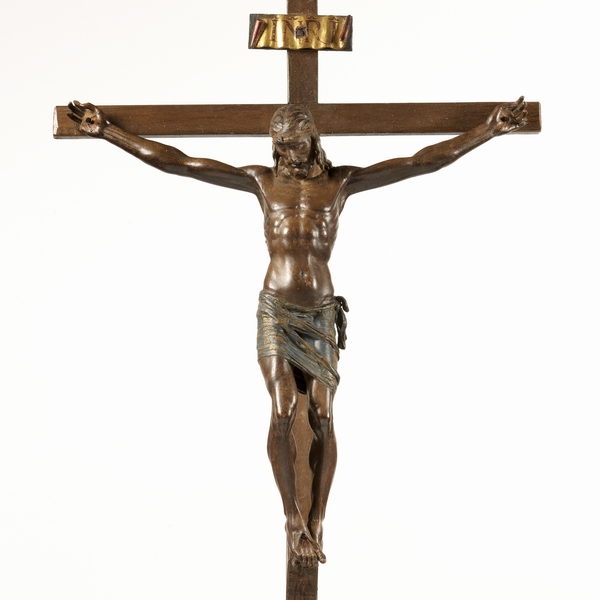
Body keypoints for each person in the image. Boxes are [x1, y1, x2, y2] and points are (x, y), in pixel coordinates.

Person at [67, 98, 528, 568]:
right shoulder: (262, 182)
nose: (289, 155)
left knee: (323, 415)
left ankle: (318, 517)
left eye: (297, 145)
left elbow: (420, 162)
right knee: (284, 408)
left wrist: (487, 131)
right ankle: (292, 519)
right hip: (277, 311)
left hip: (320, 316)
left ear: (313, 139)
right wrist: (108, 132)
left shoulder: (340, 183)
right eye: (281, 146)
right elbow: (180, 163)